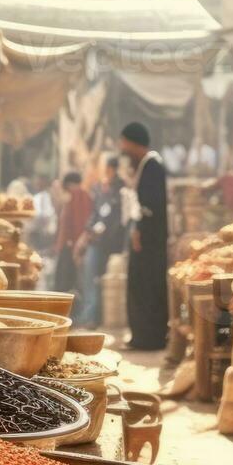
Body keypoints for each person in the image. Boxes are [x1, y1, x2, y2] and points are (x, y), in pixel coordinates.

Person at [120, 122, 169, 350]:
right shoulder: (146, 165)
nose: (122, 147)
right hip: (146, 237)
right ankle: (142, 336)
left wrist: (138, 230)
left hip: (149, 239)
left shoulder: (152, 165)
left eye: (124, 142)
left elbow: (150, 205)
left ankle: (149, 338)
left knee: (147, 286)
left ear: (132, 142)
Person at [74, 154, 125, 327]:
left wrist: (102, 232)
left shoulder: (120, 189)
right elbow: (95, 213)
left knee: (102, 280)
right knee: (91, 278)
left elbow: (116, 218)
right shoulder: (100, 188)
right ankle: (90, 317)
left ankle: (97, 317)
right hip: (96, 241)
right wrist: (90, 229)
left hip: (110, 243)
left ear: (112, 169)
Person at [52, 172, 93, 295]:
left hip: (71, 248)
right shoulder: (75, 196)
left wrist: (74, 245)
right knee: (65, 284)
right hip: (68, 246)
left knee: (66, 285)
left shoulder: (79, 196)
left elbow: (80, 222)